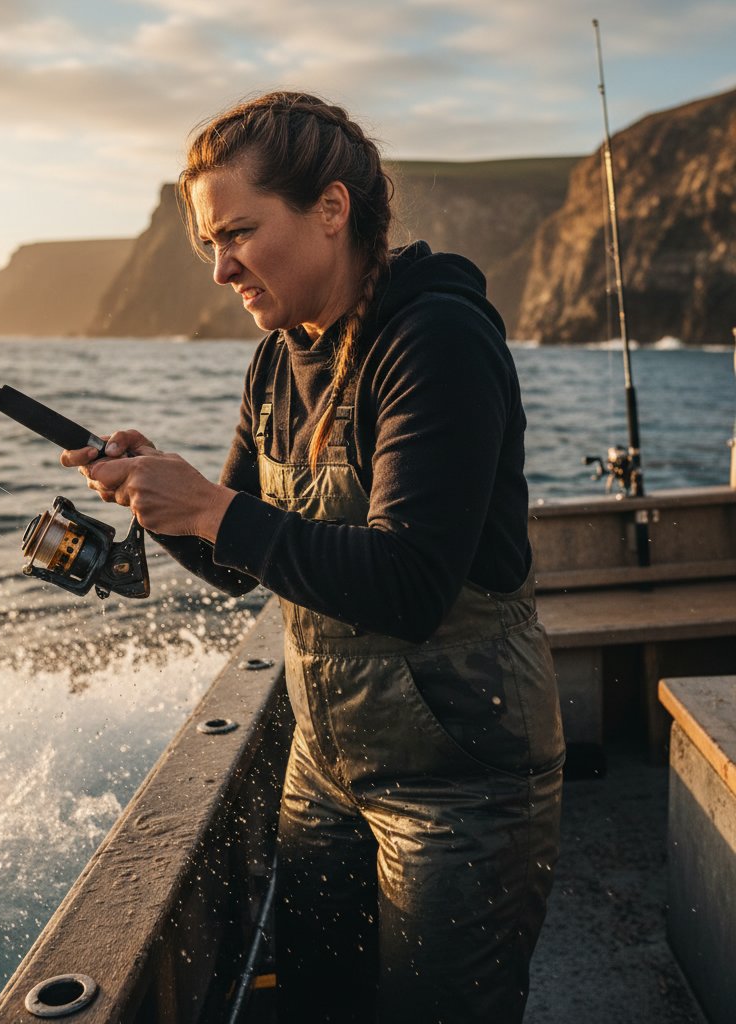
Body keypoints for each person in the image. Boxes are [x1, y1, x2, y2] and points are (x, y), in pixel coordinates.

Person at [62, 91, 566, 1024]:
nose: (221, 270)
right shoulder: (277, 359)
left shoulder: (436, 338)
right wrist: (164, 501)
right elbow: (241, 561)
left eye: (241, 233)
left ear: (331, 209)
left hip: (461, 784)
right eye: (210, 244)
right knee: (318, 1005)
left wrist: (215, 509)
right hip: (325, 766)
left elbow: (410, 584)